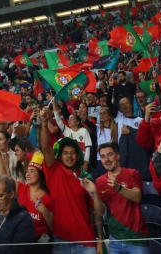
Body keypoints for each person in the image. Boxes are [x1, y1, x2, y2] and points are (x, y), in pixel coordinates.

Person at [39, 107, 100, 254]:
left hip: (87, 243)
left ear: (78, 156)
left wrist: (100, 240)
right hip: (61, 242)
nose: (69, 156)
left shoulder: (86, 178)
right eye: (65, 153)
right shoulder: (55, 170)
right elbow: (46, 147)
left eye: (73, 153)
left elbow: (98, 212)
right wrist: (44, 123)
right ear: (59, 156)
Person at [82, 143, 149, 254]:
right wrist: (95, 193)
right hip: (115, 240)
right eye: (103, 157)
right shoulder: (99, 181)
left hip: (136, 238)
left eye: (110, 155)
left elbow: (137, 197)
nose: (107, 159)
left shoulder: (132, 173)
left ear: (118, 156)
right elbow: (100, 210)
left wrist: (118, 188)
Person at [0, 149, 53, 253]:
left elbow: (53, 227)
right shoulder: (22, 188)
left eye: (32, 171)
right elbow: (4, 180)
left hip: (42, 246)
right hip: (22, 242)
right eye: (27, 171)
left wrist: (45, 212)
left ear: (40, 175)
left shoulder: (48, 197)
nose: (28, 174)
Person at [52, 101, 93, 172]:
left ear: (78, 122)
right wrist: (54, 105)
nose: (69, 120)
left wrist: (86, 163)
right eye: (69, 119)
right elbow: (58, 121)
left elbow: (88, 148)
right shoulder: (67, 131)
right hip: (71, 161)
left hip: (83, 162)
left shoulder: (84, 131)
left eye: (72, 119)